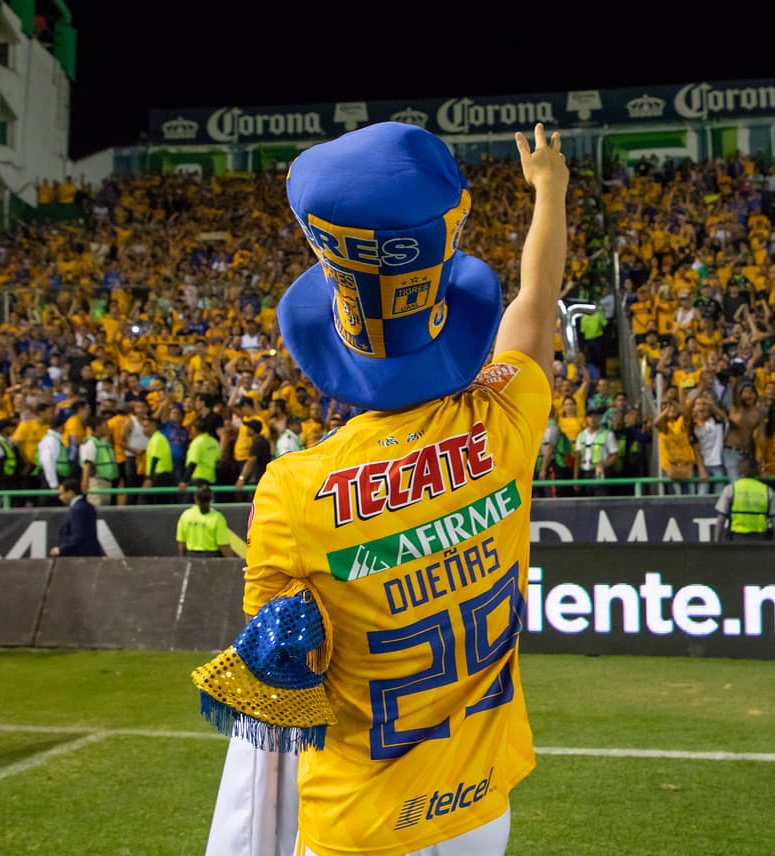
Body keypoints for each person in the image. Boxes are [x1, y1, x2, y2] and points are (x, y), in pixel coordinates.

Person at [191, 121, 568, 856]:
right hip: (478, 811)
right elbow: (538, 296)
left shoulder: (293, 488)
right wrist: (548, 188)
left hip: (357, 823)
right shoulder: (505, 417)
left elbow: (283, 672)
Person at [713, 456, 775, 540]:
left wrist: (716, 543)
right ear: (756, 472)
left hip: (737, 540)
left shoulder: (730, 489)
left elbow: (720, 521)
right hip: (761, 540)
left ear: (739, 472)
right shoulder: (767, 490)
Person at [175, 484, 237, 558]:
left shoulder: (186, 515)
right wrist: (232, 562)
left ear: (195, 498)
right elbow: (223, 545)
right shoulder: (217, 518)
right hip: (212, 559)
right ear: (211, 498)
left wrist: (182, 559)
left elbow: (181, 542)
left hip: (191, 558)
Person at [49, 477, 105, 557]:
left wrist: (60, 549)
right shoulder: (88, 506)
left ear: (70, 493)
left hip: (80, 556)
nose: (60, 497)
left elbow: (78, 536)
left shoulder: (77, 509)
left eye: (62, 493)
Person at [573, 408, 618, 496]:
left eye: (595, 417)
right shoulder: (581, 435)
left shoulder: (608, 434)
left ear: (600, 418)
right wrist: (575, 477)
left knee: (599, 499)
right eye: (590, 417)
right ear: (586, 418)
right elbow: (578, 457)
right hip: (584, 472)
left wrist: (604, 464)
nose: (592, 419)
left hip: (600, 472)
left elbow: (614, 455)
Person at [79, 416, 120, 507]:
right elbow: (87, 464)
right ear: (97, 427)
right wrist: (85, 483)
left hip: (106, 482)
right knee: (97, 509)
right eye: (105, 425)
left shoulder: (104, 443)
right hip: (97, 482)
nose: (107, 428)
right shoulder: (91, 443)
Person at [233, 419, 272, 499]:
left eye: (248, 427)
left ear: (252, 430)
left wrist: (241, 478)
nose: (247, 429)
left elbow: (250, 462)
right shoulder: (263, 441)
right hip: (263, 479)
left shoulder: (257, 443)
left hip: (257, 480)